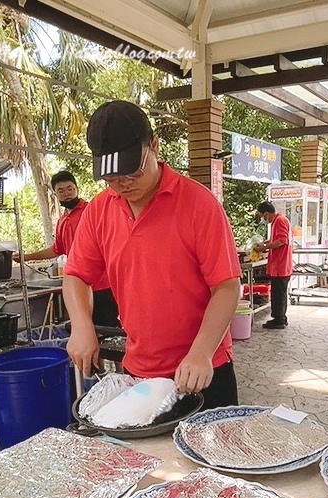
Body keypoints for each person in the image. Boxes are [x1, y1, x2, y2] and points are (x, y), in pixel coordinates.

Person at [63, 100, 242, 408]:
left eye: (132, 171)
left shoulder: (199, 205)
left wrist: (200, 352)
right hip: (140, 373)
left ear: (155, 146)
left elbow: (226, 287)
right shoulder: (99, 211)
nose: (122, 184)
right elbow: (77, 275)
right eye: (111, 177)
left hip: (203, 370)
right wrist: (81, 326)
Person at [13, 171, 120, 328]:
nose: (67, 194)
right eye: (61, 191)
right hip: (78, 287)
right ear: (55, 194)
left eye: (70, 189)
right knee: (87, 331)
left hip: (102, 286)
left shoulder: (91, 212)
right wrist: (26, 257)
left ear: (77, 189)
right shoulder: (63, 220)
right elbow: (57, 250)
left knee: (109, 333)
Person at [254, 201, 293, 329]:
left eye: (262, 216)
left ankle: (279, 320)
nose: (263, 219)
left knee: (278, 294)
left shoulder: (280, 220)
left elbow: (282, 241)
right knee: (278, 294)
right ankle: (280, 317)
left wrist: (264, 247)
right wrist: (264, 244)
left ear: (266, 213)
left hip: (281, 266)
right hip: (278, 265)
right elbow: (274, 240)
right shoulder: (278, 221)